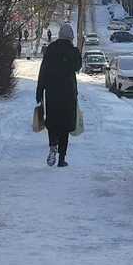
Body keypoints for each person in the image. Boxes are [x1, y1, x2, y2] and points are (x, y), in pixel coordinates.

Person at [35, 23, 81, 167]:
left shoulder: (51, 49)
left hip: (52, 92)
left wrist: (39, 91)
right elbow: (78, 66)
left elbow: (44, 71)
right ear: (71, 37)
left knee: (53, 122)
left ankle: (52, 146)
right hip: (68, 92)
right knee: (66, 125)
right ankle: (62, 158)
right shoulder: (73, 51)